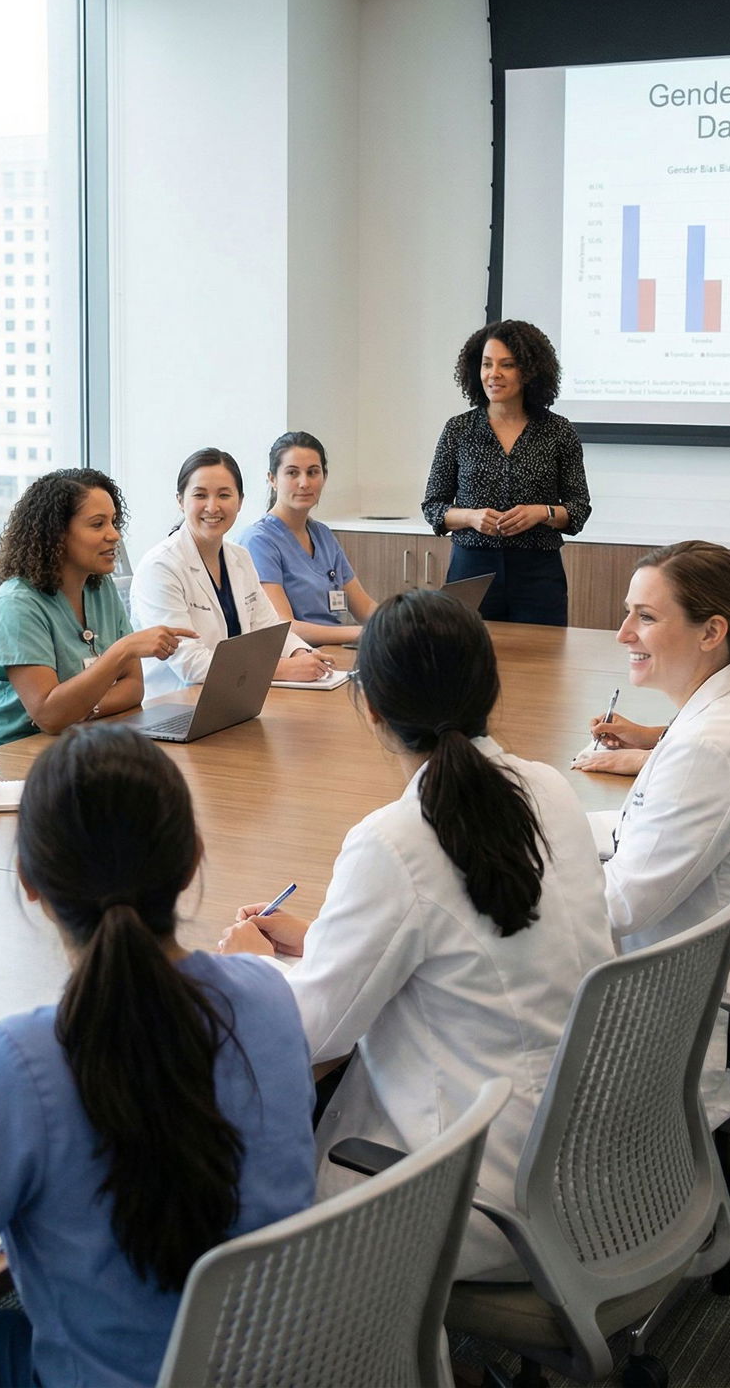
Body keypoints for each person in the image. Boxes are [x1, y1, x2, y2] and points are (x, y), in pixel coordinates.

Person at [0, 725, 316, 1388]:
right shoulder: (269, 996)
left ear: (29, 883)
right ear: (191, 860)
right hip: (284, 1366)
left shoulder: (20, 1065)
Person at [218, 589, 615, 1281]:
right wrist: (321, 942)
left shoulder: (394, 840)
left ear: (369, 707)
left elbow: (314, 1033)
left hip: (475, 1196)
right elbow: (466, 944)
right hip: (586, 1157)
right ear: (489, 687)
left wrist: (253, 966)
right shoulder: (547, 786)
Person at [580, 542, 730, 1120]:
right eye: (627, 612)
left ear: (711, 630)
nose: (623, 634)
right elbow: (647, 825)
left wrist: (510, 875)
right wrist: (543, 830)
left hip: (705, 1018)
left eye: (646, 616)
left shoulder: (711, 746)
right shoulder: (729, 704)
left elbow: (619, 908)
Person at [0, 468, 197, 745]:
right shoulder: (16, 605)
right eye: (98, 524)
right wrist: (124, 650)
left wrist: (79, 711)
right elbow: (48, 716)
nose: (114, 535)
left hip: (78, 738)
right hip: (9, 752)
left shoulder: (99, 587)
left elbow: (134, 688)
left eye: (113, 522)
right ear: (57, 535)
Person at [421, 318, 590, 626]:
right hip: (472, 569)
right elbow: (433, 506)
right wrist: (471, 517)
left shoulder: (558, 430)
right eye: (487, 364)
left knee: (542, 666)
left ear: (528, 371)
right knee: (465, 663)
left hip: (538, 573)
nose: (493, 374)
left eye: (507, 365)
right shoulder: (458, 429)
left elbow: (579, 507)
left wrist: (542, 512)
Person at [130, 448, 328, 695]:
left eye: (224, 495)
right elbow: (190, 665)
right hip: (175, 704)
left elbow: (268, 628)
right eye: (200, 495)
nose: (212, 507)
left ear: (240, 501)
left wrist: (301, 653)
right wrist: (284, 668)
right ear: (181, 501)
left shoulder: (239, 557)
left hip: (232, 699)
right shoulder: (160, 567)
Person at [241, 430, 376, 647]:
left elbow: (365, 607)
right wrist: (365, 634)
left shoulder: (322, 535)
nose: (304, 483)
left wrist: (400, 622)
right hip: (295, 659)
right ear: (272, 479)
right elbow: (284, 627)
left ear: (324, 476)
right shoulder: (259, 541)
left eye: (313, 472)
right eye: (292, 473)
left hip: (333, 653)